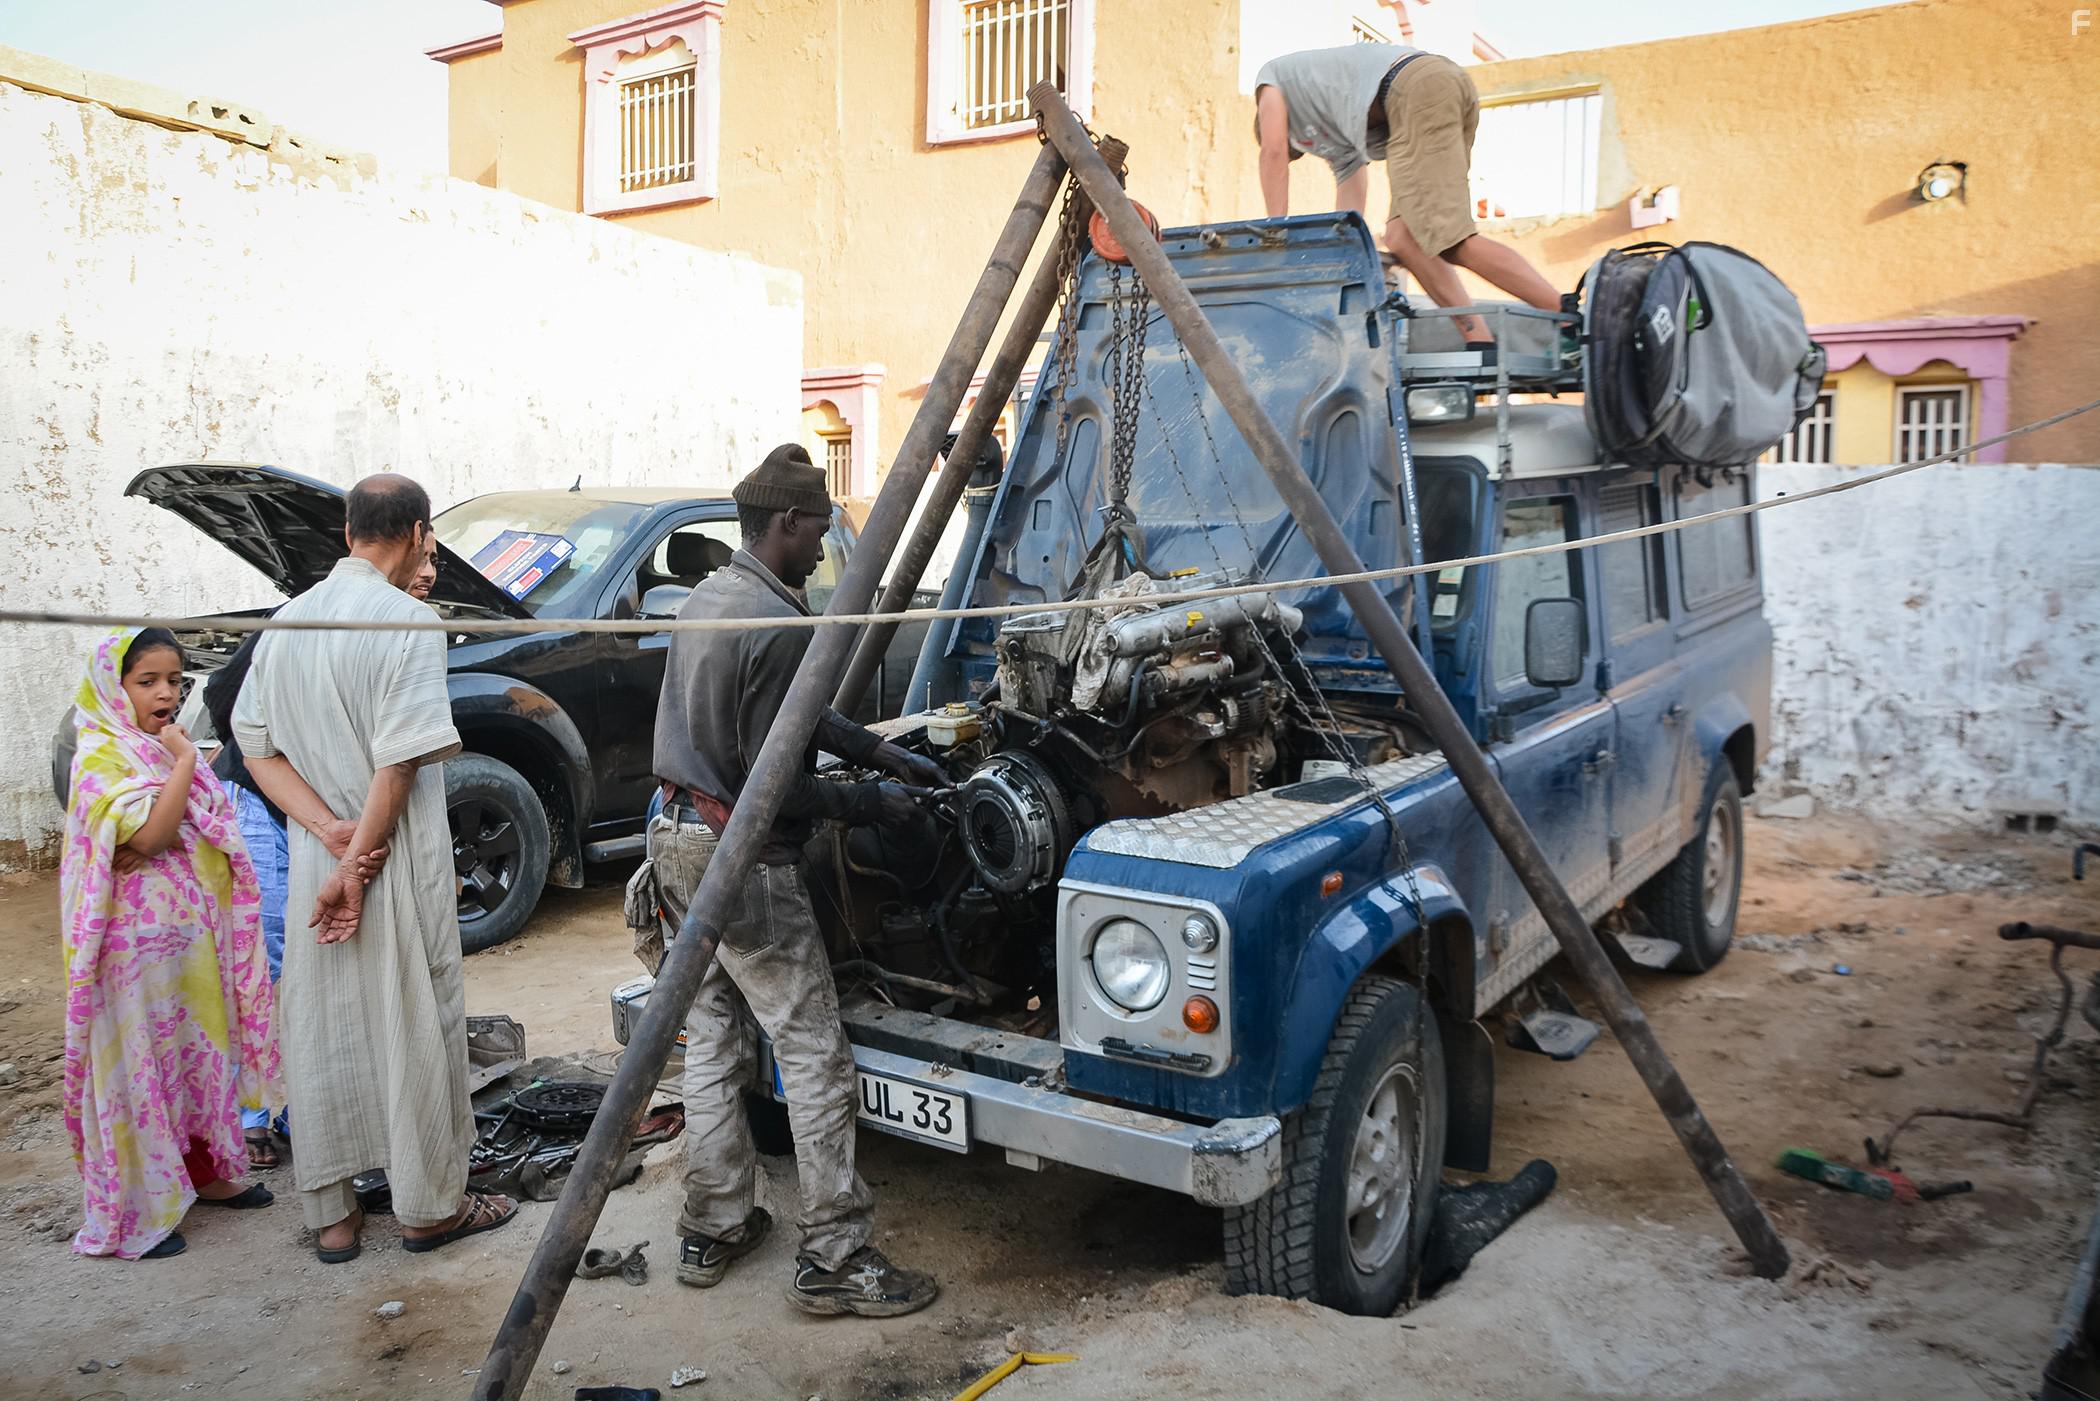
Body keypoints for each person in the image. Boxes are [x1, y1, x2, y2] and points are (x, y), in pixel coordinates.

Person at [652, 442, 945, 1317]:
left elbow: (800, 715)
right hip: (739, 856)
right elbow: (772, 781)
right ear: (785, 522)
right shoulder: (778, 622)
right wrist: (870, 802)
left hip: (672, 837)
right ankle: (836, 1255)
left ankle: (714, 1223)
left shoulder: (713, 596)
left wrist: (880, 751)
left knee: (713, 1036)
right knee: (813, 1048)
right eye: (818, 528)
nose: (822, 547)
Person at [235, 473, 516, 1263]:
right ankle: (429, 1209)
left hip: (318, 864)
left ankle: (334, 1217)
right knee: (414, 1022)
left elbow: (255, 748)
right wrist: (357, 867)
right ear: (420, 533)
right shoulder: (411, 621)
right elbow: (397, 764)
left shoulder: (287, 621)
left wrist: (327, 833)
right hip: (388, 866)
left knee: (325, 1024)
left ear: (347, 533)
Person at [60, 627, 281, 1259]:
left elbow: (195, 823)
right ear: (113, 687)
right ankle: (137, 1213)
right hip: (129, 953)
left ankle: (205, 1174)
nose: (165, 693)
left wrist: (177, 782)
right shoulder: (102, 755)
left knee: (193, 1056)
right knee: (139, 1069)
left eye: (175, 681)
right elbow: (153, 838)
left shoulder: (153, 750)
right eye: (147, 681)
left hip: (186, 943)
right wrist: (185, 764)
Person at [202, 634, 382, 1167]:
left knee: (319, 962)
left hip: (321, 820)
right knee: (260, 965)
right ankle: (248, 1115)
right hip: (260, 804)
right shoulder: (299, 622)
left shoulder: (393, 628)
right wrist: (268, 751)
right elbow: (224, 694)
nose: (425, 586)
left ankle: (300, 1110)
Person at [1254, 43, 1561, 356]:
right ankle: (1479, 339)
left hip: (1415, 88)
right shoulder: (1331, 124)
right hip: (1428, 90)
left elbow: (1272, 153)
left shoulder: (1271, 80)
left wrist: (1276, 235)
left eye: (1297, 147)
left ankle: (1567, 315)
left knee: (1450, 239)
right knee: (1403, 238)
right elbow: (1349, 206)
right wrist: (1346, 247)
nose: (1300, 149)